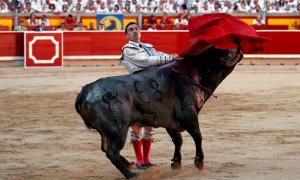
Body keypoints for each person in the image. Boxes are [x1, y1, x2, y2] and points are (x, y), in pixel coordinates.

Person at [120, 22, 182, 169]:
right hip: (137, 89)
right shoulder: (127, 49)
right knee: (137, 125)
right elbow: (145, 61)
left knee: (149, 126)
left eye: (136, 29)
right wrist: (170, 59)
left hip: (153, 88)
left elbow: (159, 55)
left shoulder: (148, 46)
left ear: (140, 32)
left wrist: (174, 56)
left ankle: (146, 160)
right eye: (131, 30)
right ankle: (140, 161)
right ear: (127, 35)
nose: (134, 32)